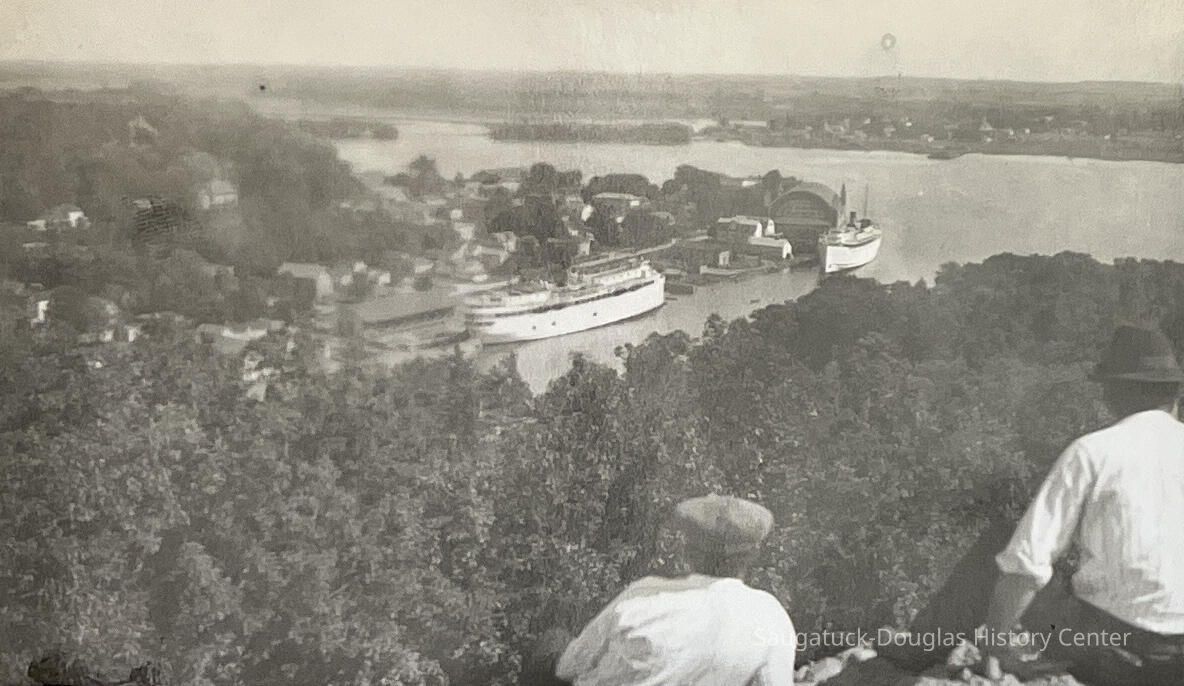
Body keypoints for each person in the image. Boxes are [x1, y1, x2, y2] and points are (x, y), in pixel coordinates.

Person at [886, 325, 1184, 684]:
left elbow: (1026, 566)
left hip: (1112, 648)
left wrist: (996, 647)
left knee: (1001, 546)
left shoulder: (1094, 452)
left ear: (1114, 395)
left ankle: (917, 653)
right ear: (1174, 395)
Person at [544, 494, 797, 686]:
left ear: (688, 551)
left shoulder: (642, 594)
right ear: (753, 554)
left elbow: (567, 667)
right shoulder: (770, 615)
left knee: (551, 642)